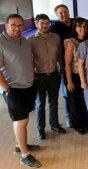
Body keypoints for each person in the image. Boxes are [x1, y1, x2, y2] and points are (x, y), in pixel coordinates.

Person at [0, 14, 41, 168]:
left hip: (28, 85)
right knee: (20, 120)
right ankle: (25, 155)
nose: (17, 28)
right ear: (6, 25)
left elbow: (29, 60)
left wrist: (33, 76)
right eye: (13, 25)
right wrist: (5, 88)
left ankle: (20, 144)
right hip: (12, 88)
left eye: (20, 25)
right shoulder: (1, 42)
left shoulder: (24, 41)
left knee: (24, 117)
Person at [27, 14, 66, 140]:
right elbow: (28, 60)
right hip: (39, 76)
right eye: (42, 23)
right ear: (36, 23)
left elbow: (59, 55)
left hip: (54, 74)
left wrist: (61, 68)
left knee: (53, 103)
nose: (45, 25)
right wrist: (32, 75)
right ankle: (40, 129)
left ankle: (54, 125)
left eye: (47, 23)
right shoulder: (30, 40)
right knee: (40, 104)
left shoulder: (56, 37)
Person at [50, 4, 75, 127]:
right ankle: (68, 117)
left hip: (77, 63)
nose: (64, 14)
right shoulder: (55, 27)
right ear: (56, 15)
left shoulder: (75, 23)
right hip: (64, 64)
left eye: (65, 12)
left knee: (77, 91)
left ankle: (78, 114)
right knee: (66, 92)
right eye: (61, 13)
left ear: (69, 12)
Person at [64, 17, 88, 134]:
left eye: (85, 26)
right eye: (80, 26)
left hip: (86, 76)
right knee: (75, 101)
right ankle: (77, 125)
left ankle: (85, 123)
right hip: (74, 76)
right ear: (75, 28)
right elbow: (68, 64)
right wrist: (69, 81)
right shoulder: (71, 43)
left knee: (84, 101)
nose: (82, 29)